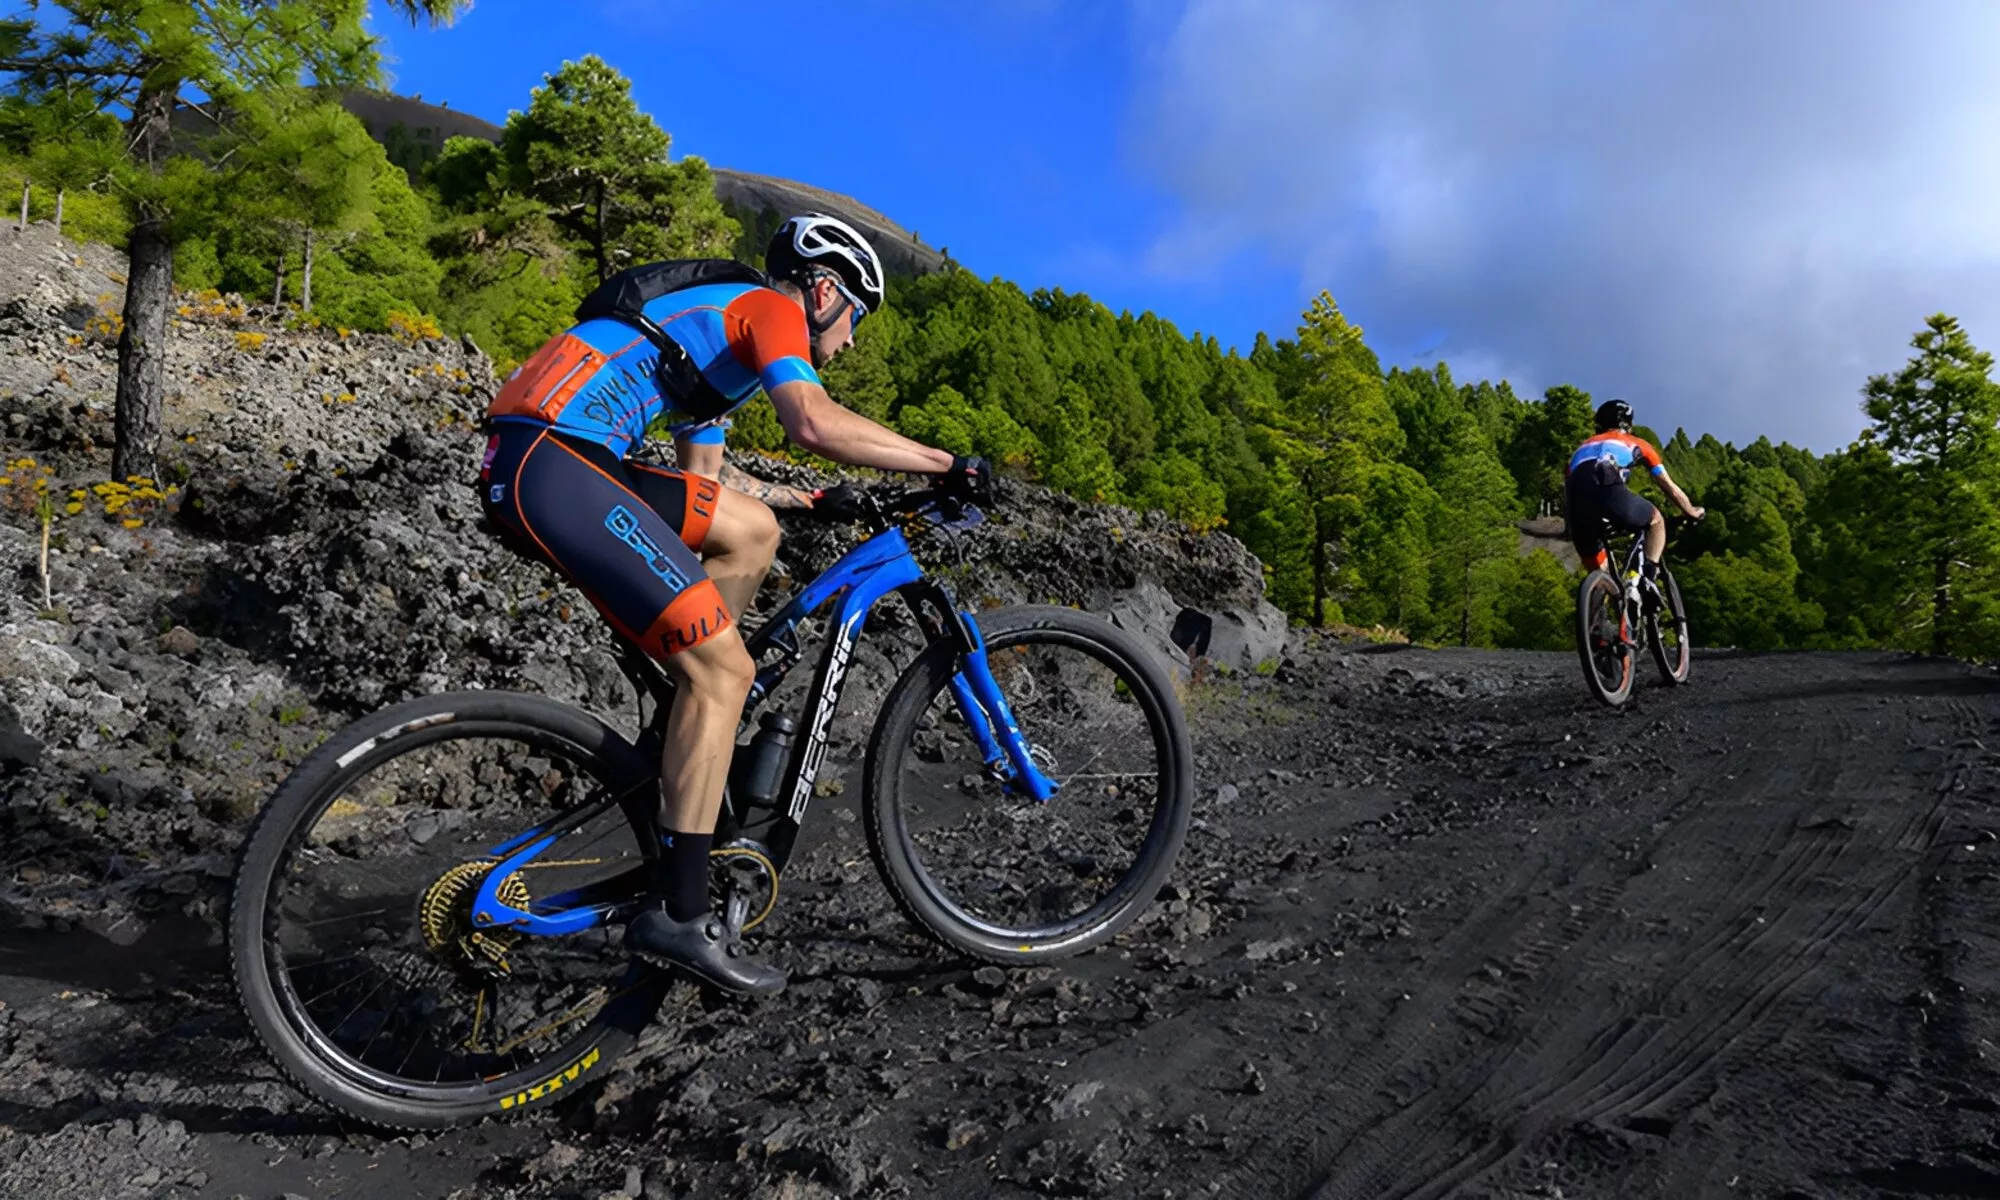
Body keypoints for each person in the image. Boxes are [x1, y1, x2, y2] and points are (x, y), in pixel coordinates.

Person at [476, 213, 992, 996]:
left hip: (539, 457)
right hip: (555, 460)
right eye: (854, 316)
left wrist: (812, 498)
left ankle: (691, 729)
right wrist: (944, 465)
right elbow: (813, 421)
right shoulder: (769, 307)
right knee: (722, 673)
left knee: (751, 532)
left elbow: (712, 492)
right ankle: (680, 916)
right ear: (824, 290)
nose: (849, 340)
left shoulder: (713, 355)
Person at [1564, 399, 1705, 602]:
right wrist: (1691, 511)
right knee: (1656, 520)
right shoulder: (1638, 444)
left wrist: (1570, 528)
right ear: (1628, 424)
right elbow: (1669, 488)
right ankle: (1648, 579)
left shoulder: (1581, 449)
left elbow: (1569, 492)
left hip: (1578, 502)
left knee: (1600, 574)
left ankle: (1599, 625)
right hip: (1608, 487)